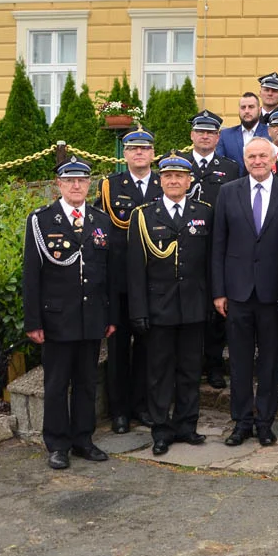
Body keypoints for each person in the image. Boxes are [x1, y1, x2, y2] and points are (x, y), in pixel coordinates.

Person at [22, 157, 116, 470]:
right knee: (57, 383)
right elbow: (32, 275)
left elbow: (109, 275)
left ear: (89, 185)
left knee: (87, 382)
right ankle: (58, 444)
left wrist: (111, 316)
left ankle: (83, 440)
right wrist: (33, 321)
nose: (76, 186)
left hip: (91, 317)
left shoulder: (102, 220)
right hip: (57, 318)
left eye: (82, 181)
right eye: (70, 181)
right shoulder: (42, 220)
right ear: (59, 185)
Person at [212, 137, 278, 447]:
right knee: (238, 361)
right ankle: (241, 422)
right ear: (245, 160)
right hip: (236, 293)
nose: (258, 161)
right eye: (252, 156)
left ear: (274, 158)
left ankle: (265, 422)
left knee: (271, 362)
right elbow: (218, 244)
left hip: (273, 295)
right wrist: (219, 291)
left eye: (264, 155)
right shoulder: (228, 192)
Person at [126, 152, 214, 456]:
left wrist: (211, 301)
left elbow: (210, 263)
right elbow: (135, 270)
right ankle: (161, 430)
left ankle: (187, 425)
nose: (174, 181)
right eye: (168, 176)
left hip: (193, 305)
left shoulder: (203, 211)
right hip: (158, 307)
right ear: (160, 180)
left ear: (189, 181)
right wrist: (138, 310)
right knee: (159, 372)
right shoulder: (143, 215)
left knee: (190, 370)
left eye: (179, 176)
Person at [93, 129, 161, 433]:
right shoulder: (110, 186)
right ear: (125, 154)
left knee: (149, 348)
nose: (139, 154)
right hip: (120, 281)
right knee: (119, 347)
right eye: (133, 149)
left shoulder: (165, 183)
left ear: (153, 154)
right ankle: (120, 410)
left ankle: (142, 405)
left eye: (144, 149)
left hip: (153, 281)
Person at [182, 109, 241, 390]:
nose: (205, 136)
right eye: (200, 131)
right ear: (192, 135)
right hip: (185, 247)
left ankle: (215, 365)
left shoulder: (229, 168)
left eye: (210, 132)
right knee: (191, 309)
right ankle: (193, 364)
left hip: (218, 245)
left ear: (218, 137)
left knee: (218, 309)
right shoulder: (177, 165)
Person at [215, 93, 270, 166]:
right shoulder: (225, 135)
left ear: (259, 110)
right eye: (243, 107)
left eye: (251, 107)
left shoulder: (270, 133)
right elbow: (220, 164)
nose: (246, 111)